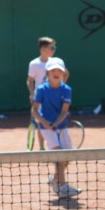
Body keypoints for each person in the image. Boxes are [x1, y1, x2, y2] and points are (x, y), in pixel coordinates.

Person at [31, 59, 81, 199]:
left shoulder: (67, 90)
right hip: (46, 128)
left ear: (63, 73)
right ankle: (63, 187)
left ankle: (55, 179)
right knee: (59, 155)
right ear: (47, 73)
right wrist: (46, 123)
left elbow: (64, 112)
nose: (56, 72)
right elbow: (34, 111)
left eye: (59, 70)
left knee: (67, 157)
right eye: (53, 70)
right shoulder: (41, 90)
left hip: (62, 126)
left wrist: (56, 123)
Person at [27, 37, 69, 150]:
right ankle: (42, 147)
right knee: (41, 121)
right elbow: (29, 80)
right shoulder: (34, 64)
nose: (54, 49)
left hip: (54, 97)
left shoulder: (56, 62)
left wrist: (59, 87)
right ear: (43, 48)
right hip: (40, 97)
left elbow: (66, 73)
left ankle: (54, 143)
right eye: (52, 47)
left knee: (55, 119)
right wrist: (32, 94)